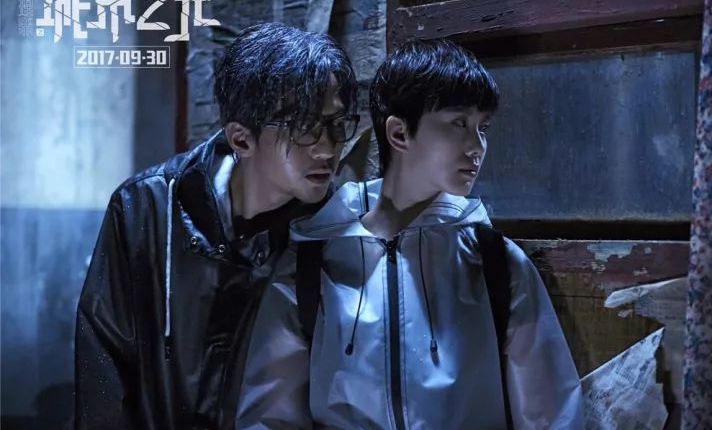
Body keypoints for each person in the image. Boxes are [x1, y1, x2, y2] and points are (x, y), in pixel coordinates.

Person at [74, 22, 358, 429]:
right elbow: (104, 368)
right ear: (241, 139)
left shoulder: (334, 226)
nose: (328, 148)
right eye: (304, 128)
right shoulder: (147, 207)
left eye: (337, 124)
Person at [290, 39, 584, 429]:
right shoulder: (312, 261)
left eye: (483, 128)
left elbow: (552, 416)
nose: (477, 146)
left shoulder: (495, 262)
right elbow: (269, 414)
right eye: (459, 123)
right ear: (399, 133)